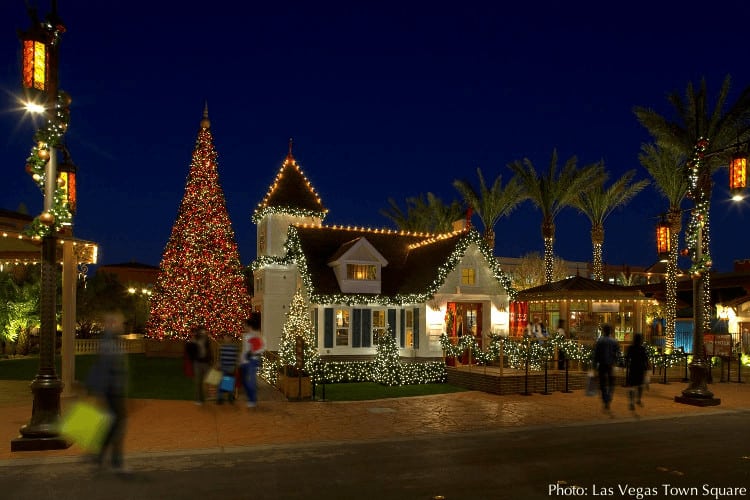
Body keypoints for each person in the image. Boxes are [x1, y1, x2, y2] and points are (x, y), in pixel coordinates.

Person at [87, 312, 130, 474]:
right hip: (112, 389)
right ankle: (115, 460)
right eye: (120, 323)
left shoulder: (112, 341)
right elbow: (108, 368)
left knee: (112, 423)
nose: (122, 325)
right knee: (118, 423)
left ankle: (101, 456)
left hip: (112, 388)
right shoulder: (109, 343)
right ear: (112, 324)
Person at [593, 323, 620, 411]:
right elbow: (618, 354)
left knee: (603, 383)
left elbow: (596, 354)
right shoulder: (614, 341)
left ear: (604, 331)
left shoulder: (600, 341)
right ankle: (609, 398)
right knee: (611, 383)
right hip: (610, 364)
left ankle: (605, 399)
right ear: (610, 331)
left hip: (602, 364)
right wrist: (616, 361)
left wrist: (594, 366)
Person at [240, 314, 265, 408]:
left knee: (251, 381)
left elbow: (261, 348)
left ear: (249, 326)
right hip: (245, 361)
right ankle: (251, 397)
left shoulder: (257, 335)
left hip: (252, 360)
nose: (243, 327)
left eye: (244, 325)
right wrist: (242, 360)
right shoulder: (245, 336)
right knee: (244, 381)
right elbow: (244, 349)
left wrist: (253, 353)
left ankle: (252, 399)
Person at [187, 326, 212, 405]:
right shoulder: (194, 340)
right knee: (198, 381)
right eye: (201, 331)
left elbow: (209, 350)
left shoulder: (207, 340)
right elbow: (189, 350)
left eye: (204, 331)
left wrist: (210, 360)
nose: (203, 333)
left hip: (205, 362)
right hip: (197, 363)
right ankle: (199, 399)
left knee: (208, 380)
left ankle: (207, 396)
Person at [625, 333, 649, 411]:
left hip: (633, 368)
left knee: (632, 386)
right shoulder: (642, 348)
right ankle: (638, 399)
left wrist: (626, 365)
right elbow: (645, 359)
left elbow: (627, 358)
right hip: (640, 369)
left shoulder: (631, 348)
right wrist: (646, 368)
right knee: (640, 385)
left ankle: (632, 402)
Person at [216, 334, 239, 404]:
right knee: (226, 382)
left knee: (227, 382)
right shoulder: (223, 347)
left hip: (229, 367)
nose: (225, 339)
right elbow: (220, 357)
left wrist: (235, 366)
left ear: (230, 338)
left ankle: (223, 398)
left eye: (226, 338)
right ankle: (226, 398)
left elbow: (235, 358)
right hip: (225, 367)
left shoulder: (231, 347)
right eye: (224, 338)